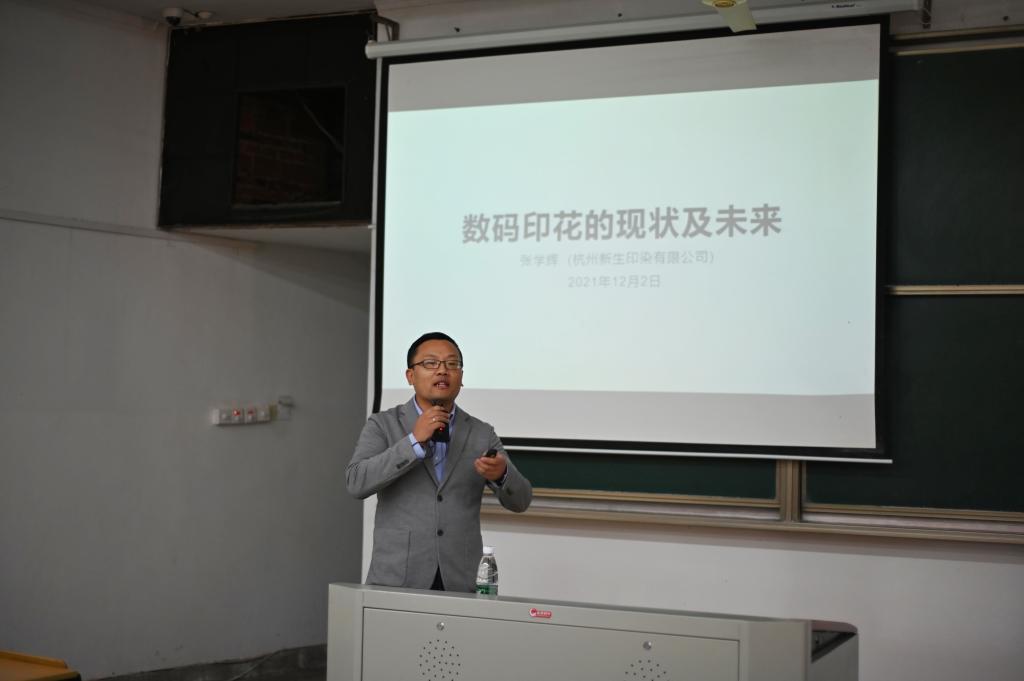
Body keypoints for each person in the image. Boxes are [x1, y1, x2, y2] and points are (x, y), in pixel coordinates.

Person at [346, 332, 532, 592]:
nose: (442, 371)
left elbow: (521, 501)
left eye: (452, 364)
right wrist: (413, 442)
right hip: (398, 577)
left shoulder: (480, 432)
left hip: (460, 579)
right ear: (410, 376)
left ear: (461, 377)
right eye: (430, 363)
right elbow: (356, 482)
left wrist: (502, 474)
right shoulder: (383, 424)